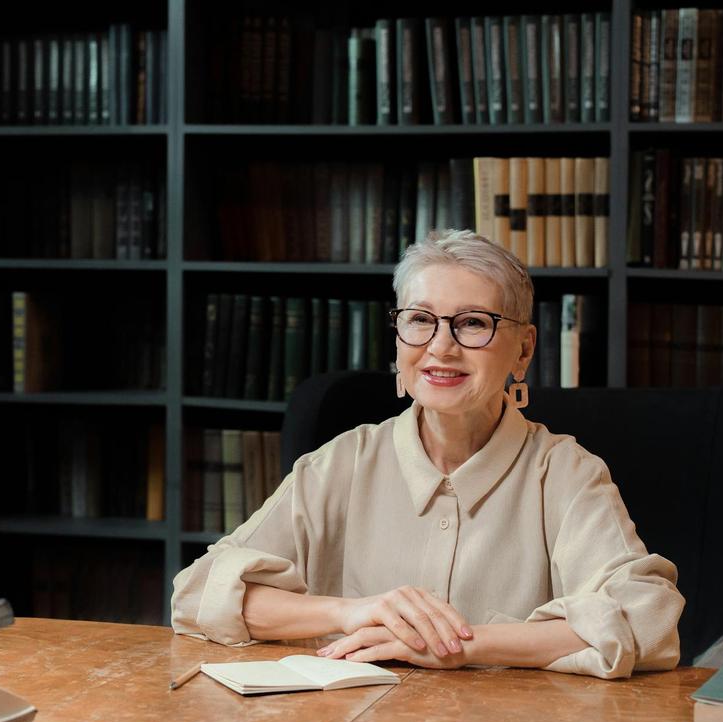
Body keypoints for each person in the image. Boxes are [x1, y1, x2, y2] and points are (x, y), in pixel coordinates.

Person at [172, 230, 683, 678]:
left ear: (523, 350)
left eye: (473, 323)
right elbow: (198, 593)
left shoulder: (567, 473)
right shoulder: (342, 462)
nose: (440, 347)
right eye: (420, 320)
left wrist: (462, 646)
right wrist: (354, 613)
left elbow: (646, 617)